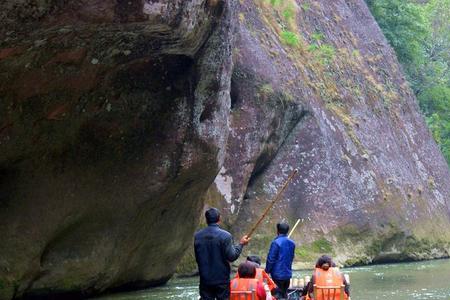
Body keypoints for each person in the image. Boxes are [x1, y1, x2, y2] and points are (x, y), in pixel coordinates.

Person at [194, 208, 251, 300]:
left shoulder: (198, 236)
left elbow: (198, 257)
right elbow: (232, 256)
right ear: (219, 219)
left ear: (206, 219)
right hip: (221, 279)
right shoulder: (225, 236)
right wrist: (241, 244)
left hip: (205, 278)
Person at [265, 223, 296, 299]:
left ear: (277, 231)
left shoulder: (275, 243)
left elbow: (271, 259)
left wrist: (267, 271)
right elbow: (291, 258)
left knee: (277, 295)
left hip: (277, 275)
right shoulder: (292, 243)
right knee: (284, 293)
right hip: (287, 274)